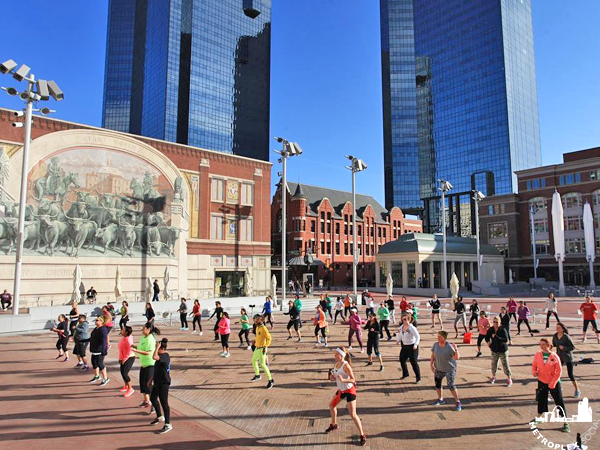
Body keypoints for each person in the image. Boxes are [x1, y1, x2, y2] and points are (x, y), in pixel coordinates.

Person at [325, 347, 367, 447]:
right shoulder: (336, 364)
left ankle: (362, 435)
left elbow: (353, 380)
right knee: (331, 406)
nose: (334, 356)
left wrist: (343, 380)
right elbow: (333, 378)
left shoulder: (346, 365)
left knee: (352, 414)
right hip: (341, 390)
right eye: (335, 354)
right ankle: (334, 424)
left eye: (336, 354)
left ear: (341, 356)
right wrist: (331, 377)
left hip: (349, 391)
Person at [531, 338, 570, 433]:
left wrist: (553, 382)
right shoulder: (538, 355)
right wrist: (534, 372)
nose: (542, 346)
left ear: (549, 345)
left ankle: (565, 422)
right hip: (541, 381)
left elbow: (559, 371)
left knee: (559, 401)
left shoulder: (554, 356)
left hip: (554, 382)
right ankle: (540, 417)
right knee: (541, 399)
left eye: (544, 344)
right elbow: (534, 365)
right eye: (540, 344)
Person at [431, 330, 461, 411]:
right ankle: (440, 399)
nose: (438, 338)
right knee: (438, 384)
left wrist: (456, 349)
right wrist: (431, 364)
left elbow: (457, 357)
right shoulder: (435, 345)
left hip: (449, 369)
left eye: (440, 337)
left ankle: (457, 401)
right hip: (439, 368)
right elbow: (433, 355)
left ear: (444, 338)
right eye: (438, 336)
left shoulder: (449, 346)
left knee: (451, 385)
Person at [132, 322, 159, 408]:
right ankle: (146, 401)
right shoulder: (143, 337)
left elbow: (148, 353)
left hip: (150, 364)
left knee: (149, 385)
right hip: (143, 364)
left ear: (148, 329)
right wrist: (135, 347)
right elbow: (141, 348)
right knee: (143, 384)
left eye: (143, 328)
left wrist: (135, 351)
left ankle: (154, 405)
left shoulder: (150, 339)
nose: (142, 330)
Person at [150, 337, 173, 434]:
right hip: (157, 382)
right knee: (153, 398)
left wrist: (156, 348)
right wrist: (150, 379)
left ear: (161, 348)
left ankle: (168, 424)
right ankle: (160, 416)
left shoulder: (165, 356)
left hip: (164, 383)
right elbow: (157, 369)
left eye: (157, 347)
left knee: (164, 403)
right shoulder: (160, 356)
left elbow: (154, 357)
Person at [552, 322, 580, 398]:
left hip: (568, 357)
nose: (557, 329)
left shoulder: (566, 337)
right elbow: (554, 344)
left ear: (563, 329)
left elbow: (572, 347)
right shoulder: (555, 336)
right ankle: (557, 388)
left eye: (559, 328)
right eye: (556, 327)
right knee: (556, 373)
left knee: (570, 375)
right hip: (559, 357)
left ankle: (577, 390)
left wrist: (564, 348)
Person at [485, 316, 513, 387]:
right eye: (494, 322)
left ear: (500, 322)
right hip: (494, 349)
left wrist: (496, 337)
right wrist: (489, 343)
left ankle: (509, 378)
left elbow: (505, 339)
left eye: (497, 322)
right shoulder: (491, 329)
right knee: (494, 364)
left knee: (505, 364)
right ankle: (494, 376)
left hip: (502, 350)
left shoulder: (502, 329)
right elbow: (486, 337)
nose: (495, 324)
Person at [250, 314, 274, 389]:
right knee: (253, 361)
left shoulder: (264, 328)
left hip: (262, 348)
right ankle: (258, 375)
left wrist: (265, 346)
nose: (255, 321)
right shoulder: (257, 328)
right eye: (255, 320)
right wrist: (255, 341)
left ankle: (271, 380)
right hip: (257, 348)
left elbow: (269, 338)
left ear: (261, 320)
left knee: (263, 364)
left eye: (257, 320)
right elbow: (258, 337)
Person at [397, 314, 421, 383]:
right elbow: (401, 335)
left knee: (413, 362)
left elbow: (418, 337)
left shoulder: (412, 328)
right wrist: (398, 340)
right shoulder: (401, 327)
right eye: (402, 319)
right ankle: (405, 374)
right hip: (404, 346)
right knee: (402, 360)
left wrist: (416, 344)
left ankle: (418, 377)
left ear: (409, 320)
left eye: (405, 319)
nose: (403, 321)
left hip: (412, 347)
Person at [88, 316, 110, 385]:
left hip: (100, 350)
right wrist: (83, 341)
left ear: (101, 322)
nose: (96, 321)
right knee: (94, 363)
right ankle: (97, 376)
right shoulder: (96, 328)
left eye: (97, 320)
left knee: (100, 364)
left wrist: (104, 350)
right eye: (96, 320)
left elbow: (104, 340)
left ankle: (105, 378)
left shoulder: (103, 329)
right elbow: (92, 338)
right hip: (94, 349)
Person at [118, 325, 136, 398]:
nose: (121, 330)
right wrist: (120, 358)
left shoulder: (129, 339)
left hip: (129, 357)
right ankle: (125, 386)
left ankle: (130, 388)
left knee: (125, 373)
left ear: (126, 332)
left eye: (123, 330)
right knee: (122, 372)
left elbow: (129, 350)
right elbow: (121, 349)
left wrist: (124, 359)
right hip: (123, 357)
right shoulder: (124, 338)